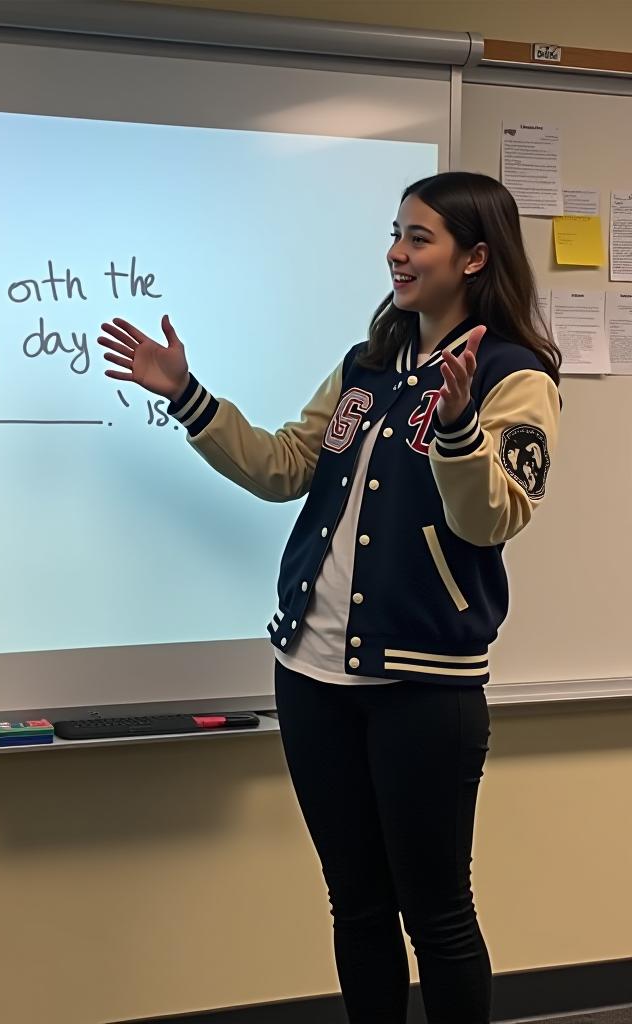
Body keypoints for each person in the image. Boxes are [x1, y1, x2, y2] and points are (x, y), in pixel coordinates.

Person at [97, 171, 562, 1024]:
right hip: (310, 674)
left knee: (437, 914)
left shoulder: (513, 374)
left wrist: (457, 432)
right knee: (356, 904)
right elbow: (285, 467)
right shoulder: (369, 363)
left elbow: (492, 517)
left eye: (419, 238)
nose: (396, 252)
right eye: (396, 233)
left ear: (475, 257)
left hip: (424, 685)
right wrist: (188, 398)